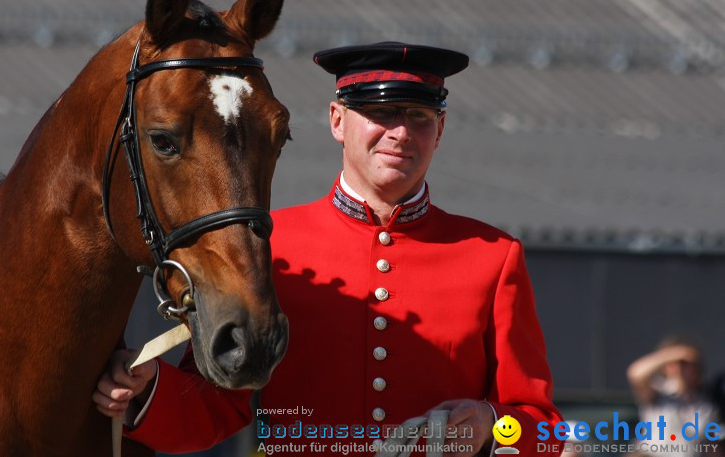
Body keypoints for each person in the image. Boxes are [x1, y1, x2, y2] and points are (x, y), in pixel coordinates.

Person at [94, 41, 563, 456]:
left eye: (419, 117)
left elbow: (543, 429)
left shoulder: (493, 256)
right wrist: (148, 389)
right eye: (381, 113)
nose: (400, 133)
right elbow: (216, 405)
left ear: (439, 131)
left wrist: (489, 425)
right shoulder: (268, 245)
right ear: (337, 120)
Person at [627, 337, 722, 457]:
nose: (679, 369)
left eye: (685, 364)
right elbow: (636, 373)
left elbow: (711, 444)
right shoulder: (658, 392)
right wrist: (674, 353)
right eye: (673, 363)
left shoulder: (706, 403)